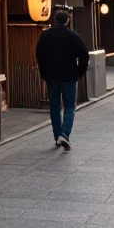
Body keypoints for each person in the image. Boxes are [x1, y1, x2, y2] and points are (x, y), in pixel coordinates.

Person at [35, 8, 90, 151]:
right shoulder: (73, 36)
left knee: (54, 107)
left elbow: (39, 55)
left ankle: (57, 136)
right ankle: (65, 134)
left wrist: (44, 74)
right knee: (70, 106)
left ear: (55, 20)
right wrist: (80, 72)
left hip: (52, 77)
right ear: (67, 21)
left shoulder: (45, 35)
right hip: (70, 76)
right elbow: (84, 55)